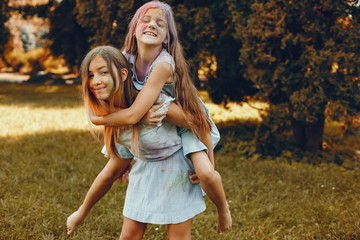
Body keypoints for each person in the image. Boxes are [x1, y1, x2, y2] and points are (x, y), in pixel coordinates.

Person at [89, 1, 231, 235]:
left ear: (166, 37)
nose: (151, 25)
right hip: (163, 122)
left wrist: (99, 120)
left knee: (205, 173)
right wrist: (123, 149)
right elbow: (118, 100)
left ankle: (223, 209)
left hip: (190, 122)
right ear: (134, 29)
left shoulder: (164, 64)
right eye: (145, 20)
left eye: (160, 23)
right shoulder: (124, 59)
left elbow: (134, 114)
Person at [67, 46, 207, 239]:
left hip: (177, 170)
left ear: (123, 74)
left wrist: (207, 163)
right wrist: (81, 213)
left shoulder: (157, 103)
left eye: (103, 72)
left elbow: (200, 122)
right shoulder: (115, 115)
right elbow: (109, 174)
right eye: (90, 75)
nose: (96, 81)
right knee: (129, 236)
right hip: (145, 171)